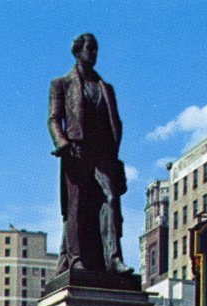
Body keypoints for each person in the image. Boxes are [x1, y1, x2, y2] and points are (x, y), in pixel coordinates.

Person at [48, 33, 133, 275]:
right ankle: (75, 260)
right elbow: (54, 119)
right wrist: (62, 142)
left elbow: (115, 122)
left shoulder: (105, 88)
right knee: (76, 205)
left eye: (96, 49)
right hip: (75, 152)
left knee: (111, 199)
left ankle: (114, 258)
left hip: (102, 154)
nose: (93, 53)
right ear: (77, 51)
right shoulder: (62, 84)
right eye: (89, 49)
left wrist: (113, 153)